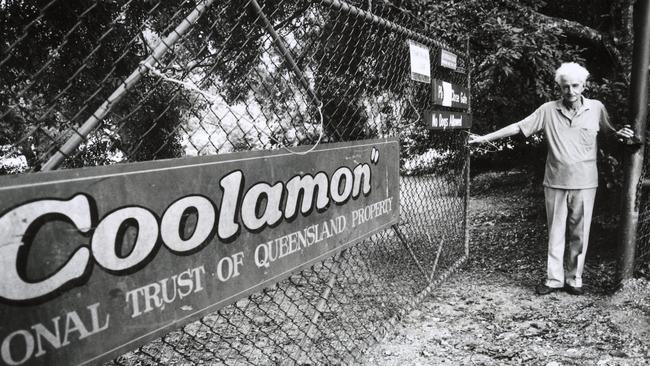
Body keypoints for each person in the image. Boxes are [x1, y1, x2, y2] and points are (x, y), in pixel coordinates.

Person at [469, 62, 635, 295]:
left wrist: (621, 134)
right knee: (556, 232)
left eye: (575, 86)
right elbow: (519, 127)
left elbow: (609, 134)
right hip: (555, 181)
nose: (571, 91)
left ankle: (574, 279)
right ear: (559, 87)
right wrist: (484, 138)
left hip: (586, 182)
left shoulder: (597, 108)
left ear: (584, 85)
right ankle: (554, 279)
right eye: (565, 86)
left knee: (580, 233)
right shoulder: (547, 110)